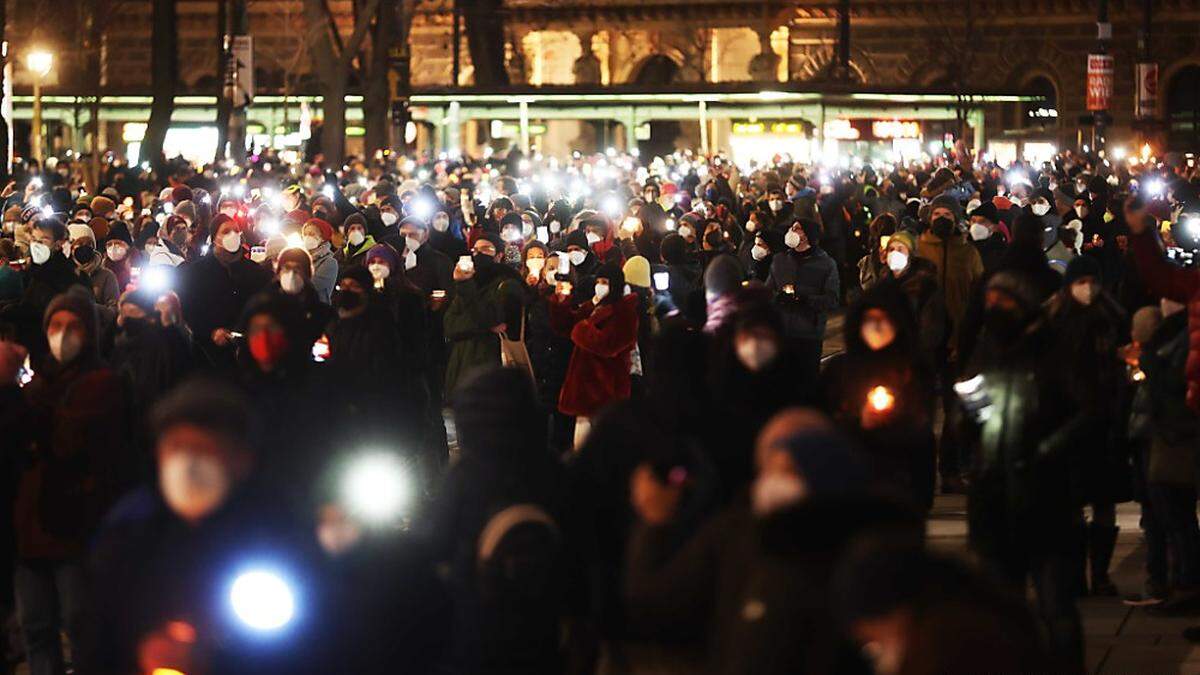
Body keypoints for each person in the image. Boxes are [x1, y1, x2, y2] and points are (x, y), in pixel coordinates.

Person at [623, 408, 921, 675]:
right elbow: (660, 606)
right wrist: (655, 524)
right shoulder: (735, 533)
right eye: (768, 468)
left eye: (788, 469)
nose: (772, 482)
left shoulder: (871, 553)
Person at [79, 379, 323, 674]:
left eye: (203, 449)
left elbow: (309, 638)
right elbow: (98, 634)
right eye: (177, 447)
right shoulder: (130, 528)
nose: (188, 463)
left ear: (241, 459)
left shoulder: (278, 528)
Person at [0, 289, 131, 675]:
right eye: (56, 326)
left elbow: (64, 440)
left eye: (73, 326)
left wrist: (10, 390)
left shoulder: (103, 383)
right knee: (37, 629)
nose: (63, 334)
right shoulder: (41, 381)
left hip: (76, 528)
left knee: (81, 626)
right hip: (32, 529)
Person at [959, 270, 1084, 671]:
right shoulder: (987, 348)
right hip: (995, 496)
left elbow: (1087, 411)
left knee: (1055, 606)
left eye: (1004, 302)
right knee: (1003, 607)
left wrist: (1046, 450)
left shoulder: (1051, 349)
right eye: (990, 302)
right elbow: (970, 413)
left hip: (1045, 496)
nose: (996, 310)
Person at [424, 367, 568, 674]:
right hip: (546, 621)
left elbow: (434, 544)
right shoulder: (553, 469)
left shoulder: (464, 475)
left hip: (479, 618)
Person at [820, 288, 937, 510]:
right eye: (870, 319)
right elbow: (824, 422)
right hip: (852, 486)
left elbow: (923, 430)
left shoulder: (915, 369)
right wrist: (858, 422)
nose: (876, 326)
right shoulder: (840, 370)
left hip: (901, 488)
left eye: (884, 319)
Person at [549, 261, 639, 449]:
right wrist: (562, 301)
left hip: (605, 389)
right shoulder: (594, 307)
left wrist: (581, 330)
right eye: (598, 281)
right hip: (585, 389)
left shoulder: (625, 311)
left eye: (605, 282)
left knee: (601, 447)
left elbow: (608, 345)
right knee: (582, 445)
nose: (600, 286)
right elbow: (565, 326)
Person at [177, 217, 272, 368]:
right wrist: (210, 331)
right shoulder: (196, 272)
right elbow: (190, 308)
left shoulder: (256, 272)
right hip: (210, 355)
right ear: (215, 238)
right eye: (226, 231)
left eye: (236, 231)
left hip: (249, 351)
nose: (232, 235)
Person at [443, 233, 523, 395]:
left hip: (491, 367)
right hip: (462, 365)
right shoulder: (469, 284)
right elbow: (450, 325)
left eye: (486, 249)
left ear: (499, 255)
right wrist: (484, 327)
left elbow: (490, 318)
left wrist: (466, 287)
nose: (478, 254)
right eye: (475, 250)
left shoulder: (508, 284)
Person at [766, 218, 839, 381]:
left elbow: (832, 299)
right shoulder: (780, 260)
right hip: (781, 332)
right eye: (791, 228)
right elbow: (767, 291)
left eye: (797, 229)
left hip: (808, 335)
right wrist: (779, 298)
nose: (791, 232)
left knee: (806, 381)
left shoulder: (826, 264)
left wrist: (804, 298)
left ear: (808, 235)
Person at [300, 217, 339, 303]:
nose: (307, 237)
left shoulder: (329, 262)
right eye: (305, 234)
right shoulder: (299, 257)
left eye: (311, 234)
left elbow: (312, 286)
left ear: (322, 238)